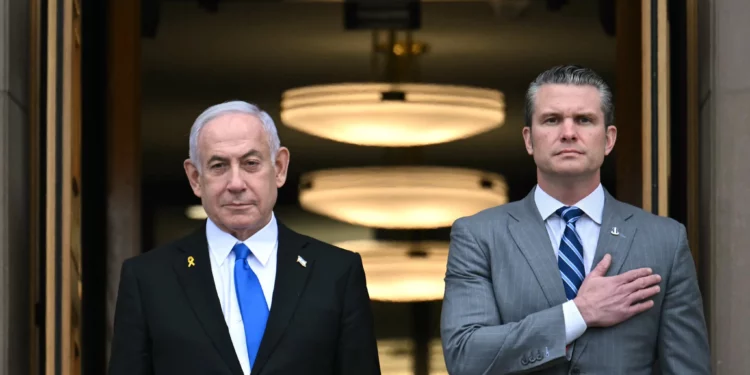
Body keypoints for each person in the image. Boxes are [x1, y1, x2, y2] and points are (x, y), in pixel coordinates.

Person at [440, 65, 710, 374]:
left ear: (609, 139)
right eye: (552, 120)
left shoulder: (665, 240)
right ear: (529, 140)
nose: (568, 133)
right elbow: (464, 357)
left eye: (584, 120)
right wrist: (578, 314)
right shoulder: (479, 235)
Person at [108, 101, 381, 375]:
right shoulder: (149, 279)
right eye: (218, 165)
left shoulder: (336, 273)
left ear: (280, 167)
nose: (236, 183)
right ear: (195, 178)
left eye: (251, 163)